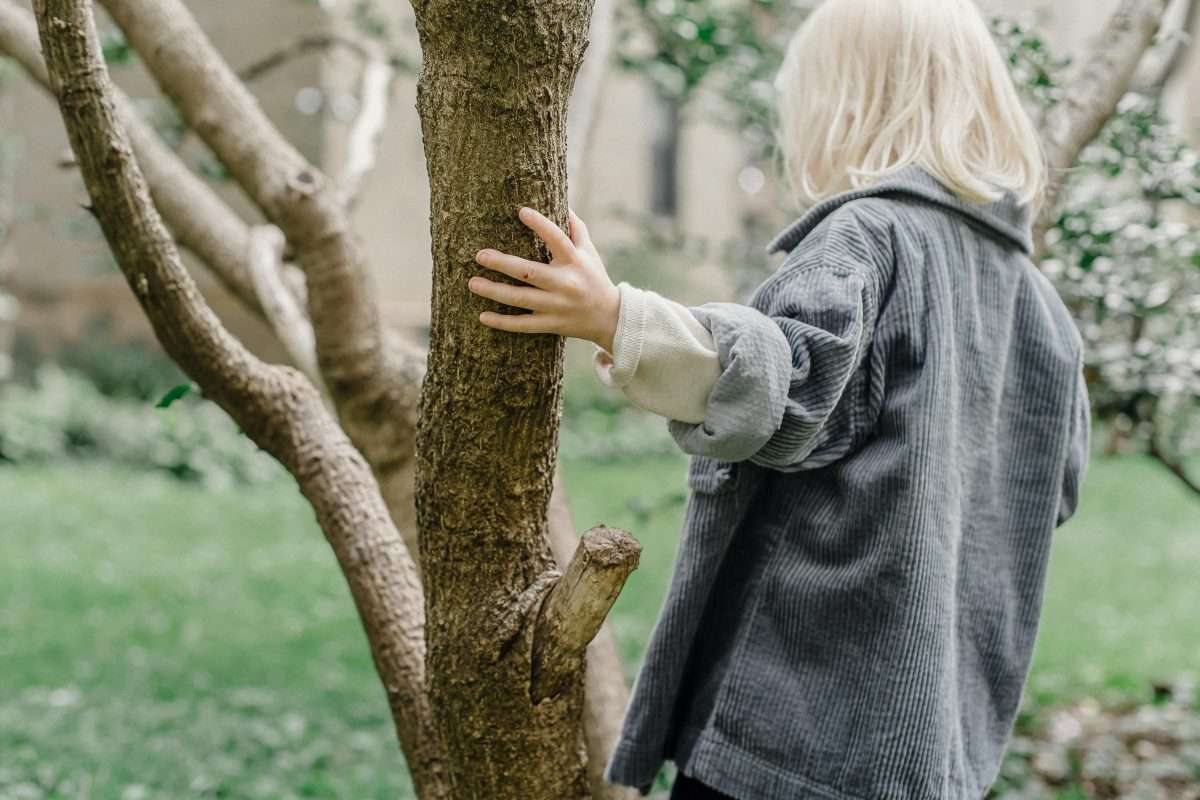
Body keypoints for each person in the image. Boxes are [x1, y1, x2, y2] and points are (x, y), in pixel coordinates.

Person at [466, 0, 1091, 796]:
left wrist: (616, 316)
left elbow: (781, 383)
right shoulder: (1043, 310)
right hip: (932, 748)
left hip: (792, 737)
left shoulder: (870, 238)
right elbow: (1053, 488)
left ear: (846, 106)